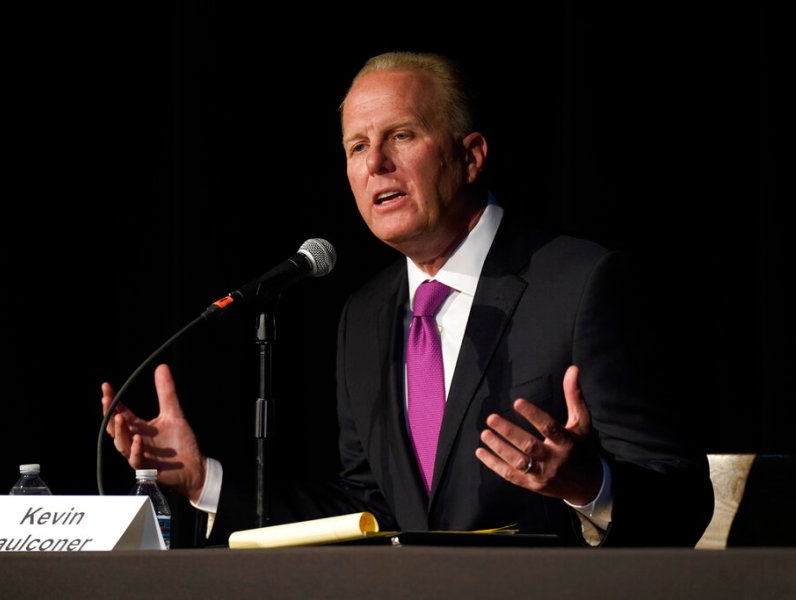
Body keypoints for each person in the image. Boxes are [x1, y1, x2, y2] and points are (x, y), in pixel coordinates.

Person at [102, 51, 713, 547]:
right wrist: (205, 480)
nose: (377, 164)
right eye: (357, 147)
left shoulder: (583, 283)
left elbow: (682, 503)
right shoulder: (365, 316)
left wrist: (588, 485)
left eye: (401, 135)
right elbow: (368, 512)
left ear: (470, 155)